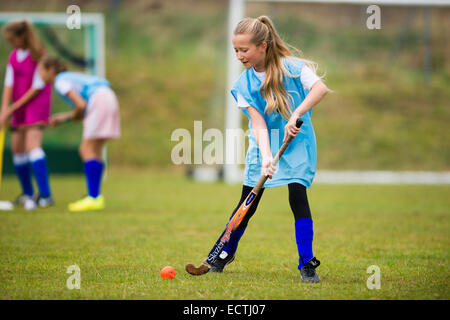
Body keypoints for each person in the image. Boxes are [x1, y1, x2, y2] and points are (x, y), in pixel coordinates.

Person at [208, 16, 329, 283]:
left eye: (244, 50)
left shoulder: (293, 68)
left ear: (263, 46)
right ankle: (223, 255)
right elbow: (258, 122)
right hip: (263, 142)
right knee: (247, 205)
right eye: (236, 50)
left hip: (297, 142)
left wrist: (296, 114)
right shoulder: (242, 84)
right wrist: (265, 157)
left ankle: (307, 262)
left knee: (297, 195)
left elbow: (320, 89)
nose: (239, 56)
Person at [38, 55, 120, 212]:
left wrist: (72, 115)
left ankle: (93, 197)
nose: (40, 74)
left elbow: (81, 105)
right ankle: (95, 196)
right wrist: (64, 118)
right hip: (108, 97)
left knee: (86, 149)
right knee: (95, 150)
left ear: (50, 70)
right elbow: (82, 108)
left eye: (41, 70)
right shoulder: (69, 77)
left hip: (98, 100)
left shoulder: (60, 81)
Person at [0, 20, 53, 210]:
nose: (10, 43)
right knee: (17, 149)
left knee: (32, 146)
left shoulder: (39, 54)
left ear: (22, 36)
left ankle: (46, 195)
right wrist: (4, 108)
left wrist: (12, 108)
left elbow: (38, 86)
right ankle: (28, 194)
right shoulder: (14, 56)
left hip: (36, 103)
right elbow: (9, 83)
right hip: (18, 105)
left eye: (11, 39)